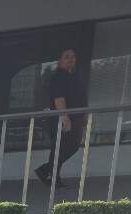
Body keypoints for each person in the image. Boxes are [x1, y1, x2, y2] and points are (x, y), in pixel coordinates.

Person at [34, 48, 86, 190]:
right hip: (62, 121)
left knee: (72, 147)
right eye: (66, 56)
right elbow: (59, 98)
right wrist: (65, 117)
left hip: (76, 119)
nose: (70, 59)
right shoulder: (58, 77)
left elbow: (81, 97)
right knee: (59, 149)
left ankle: (45, 170)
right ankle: (53, 178)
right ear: (59, 60)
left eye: (72, 56)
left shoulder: (75, 77)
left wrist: (84, 115)